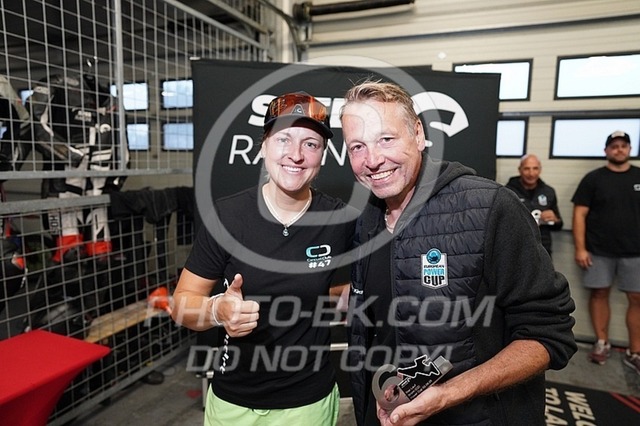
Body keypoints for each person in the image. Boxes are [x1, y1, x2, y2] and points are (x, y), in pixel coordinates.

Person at [339, 80, 576, 426]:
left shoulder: (491, 208)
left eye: (386, 139)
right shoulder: (368, 220)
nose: (372, 160)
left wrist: (449, 394)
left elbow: (548, 335)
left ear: (418, 134)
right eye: (357, 147)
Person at [171, 92, 357, 425]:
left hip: (308, 403)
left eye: (310, 144)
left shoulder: (339, 219)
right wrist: (217, 310)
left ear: (323, 155)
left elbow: (343, 292)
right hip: (233, 402)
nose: (296, 154)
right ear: (263, 146)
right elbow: (182, 304)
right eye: (283, 139)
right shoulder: (228, 216)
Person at [572, 130, 640, 373]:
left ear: (630, 149)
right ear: (606, 151)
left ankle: (635, 351)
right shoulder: (593, 179)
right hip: (598, 251)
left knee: (637, 298)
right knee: (599, 293)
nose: (619, 149)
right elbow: (579, 214)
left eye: (623, 145)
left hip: (635, 252)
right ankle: (602, 342)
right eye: (614, 146)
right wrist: (580, 248)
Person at [506, 154, 563, 256]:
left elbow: (559, 225)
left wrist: (554, 219)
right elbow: (501, 223)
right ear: (520, 170)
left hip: (543, 249)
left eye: (535, 168)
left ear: (540, 170)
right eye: (527, 169)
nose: (531, 173)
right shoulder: (508, 192)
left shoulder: (549, 192)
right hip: (516, 249)